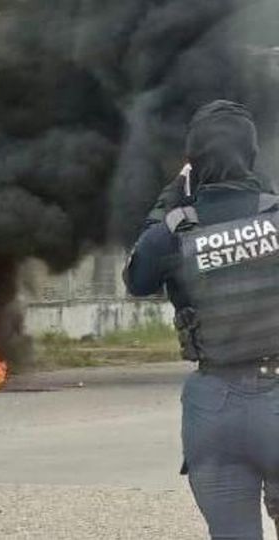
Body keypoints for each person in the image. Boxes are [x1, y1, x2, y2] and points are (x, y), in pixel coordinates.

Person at [125, 99, 279, 539]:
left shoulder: (173, 232)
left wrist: (168, 202)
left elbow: (137, 278)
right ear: (251, 156)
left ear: (192, 162)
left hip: (214, 409)